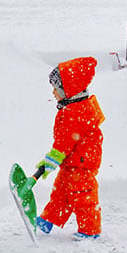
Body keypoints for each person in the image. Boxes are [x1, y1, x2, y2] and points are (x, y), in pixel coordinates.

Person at [34, 57, 104, 240]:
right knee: (61, 193)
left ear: (69, 91)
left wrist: (51, 160)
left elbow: (63, 143)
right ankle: (47, 220)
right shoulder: (75, 108)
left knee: (83, 197)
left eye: (56, 89)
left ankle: (90, 230)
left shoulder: (73, 113)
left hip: (81, 163)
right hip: (73, 161)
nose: (53, 93)